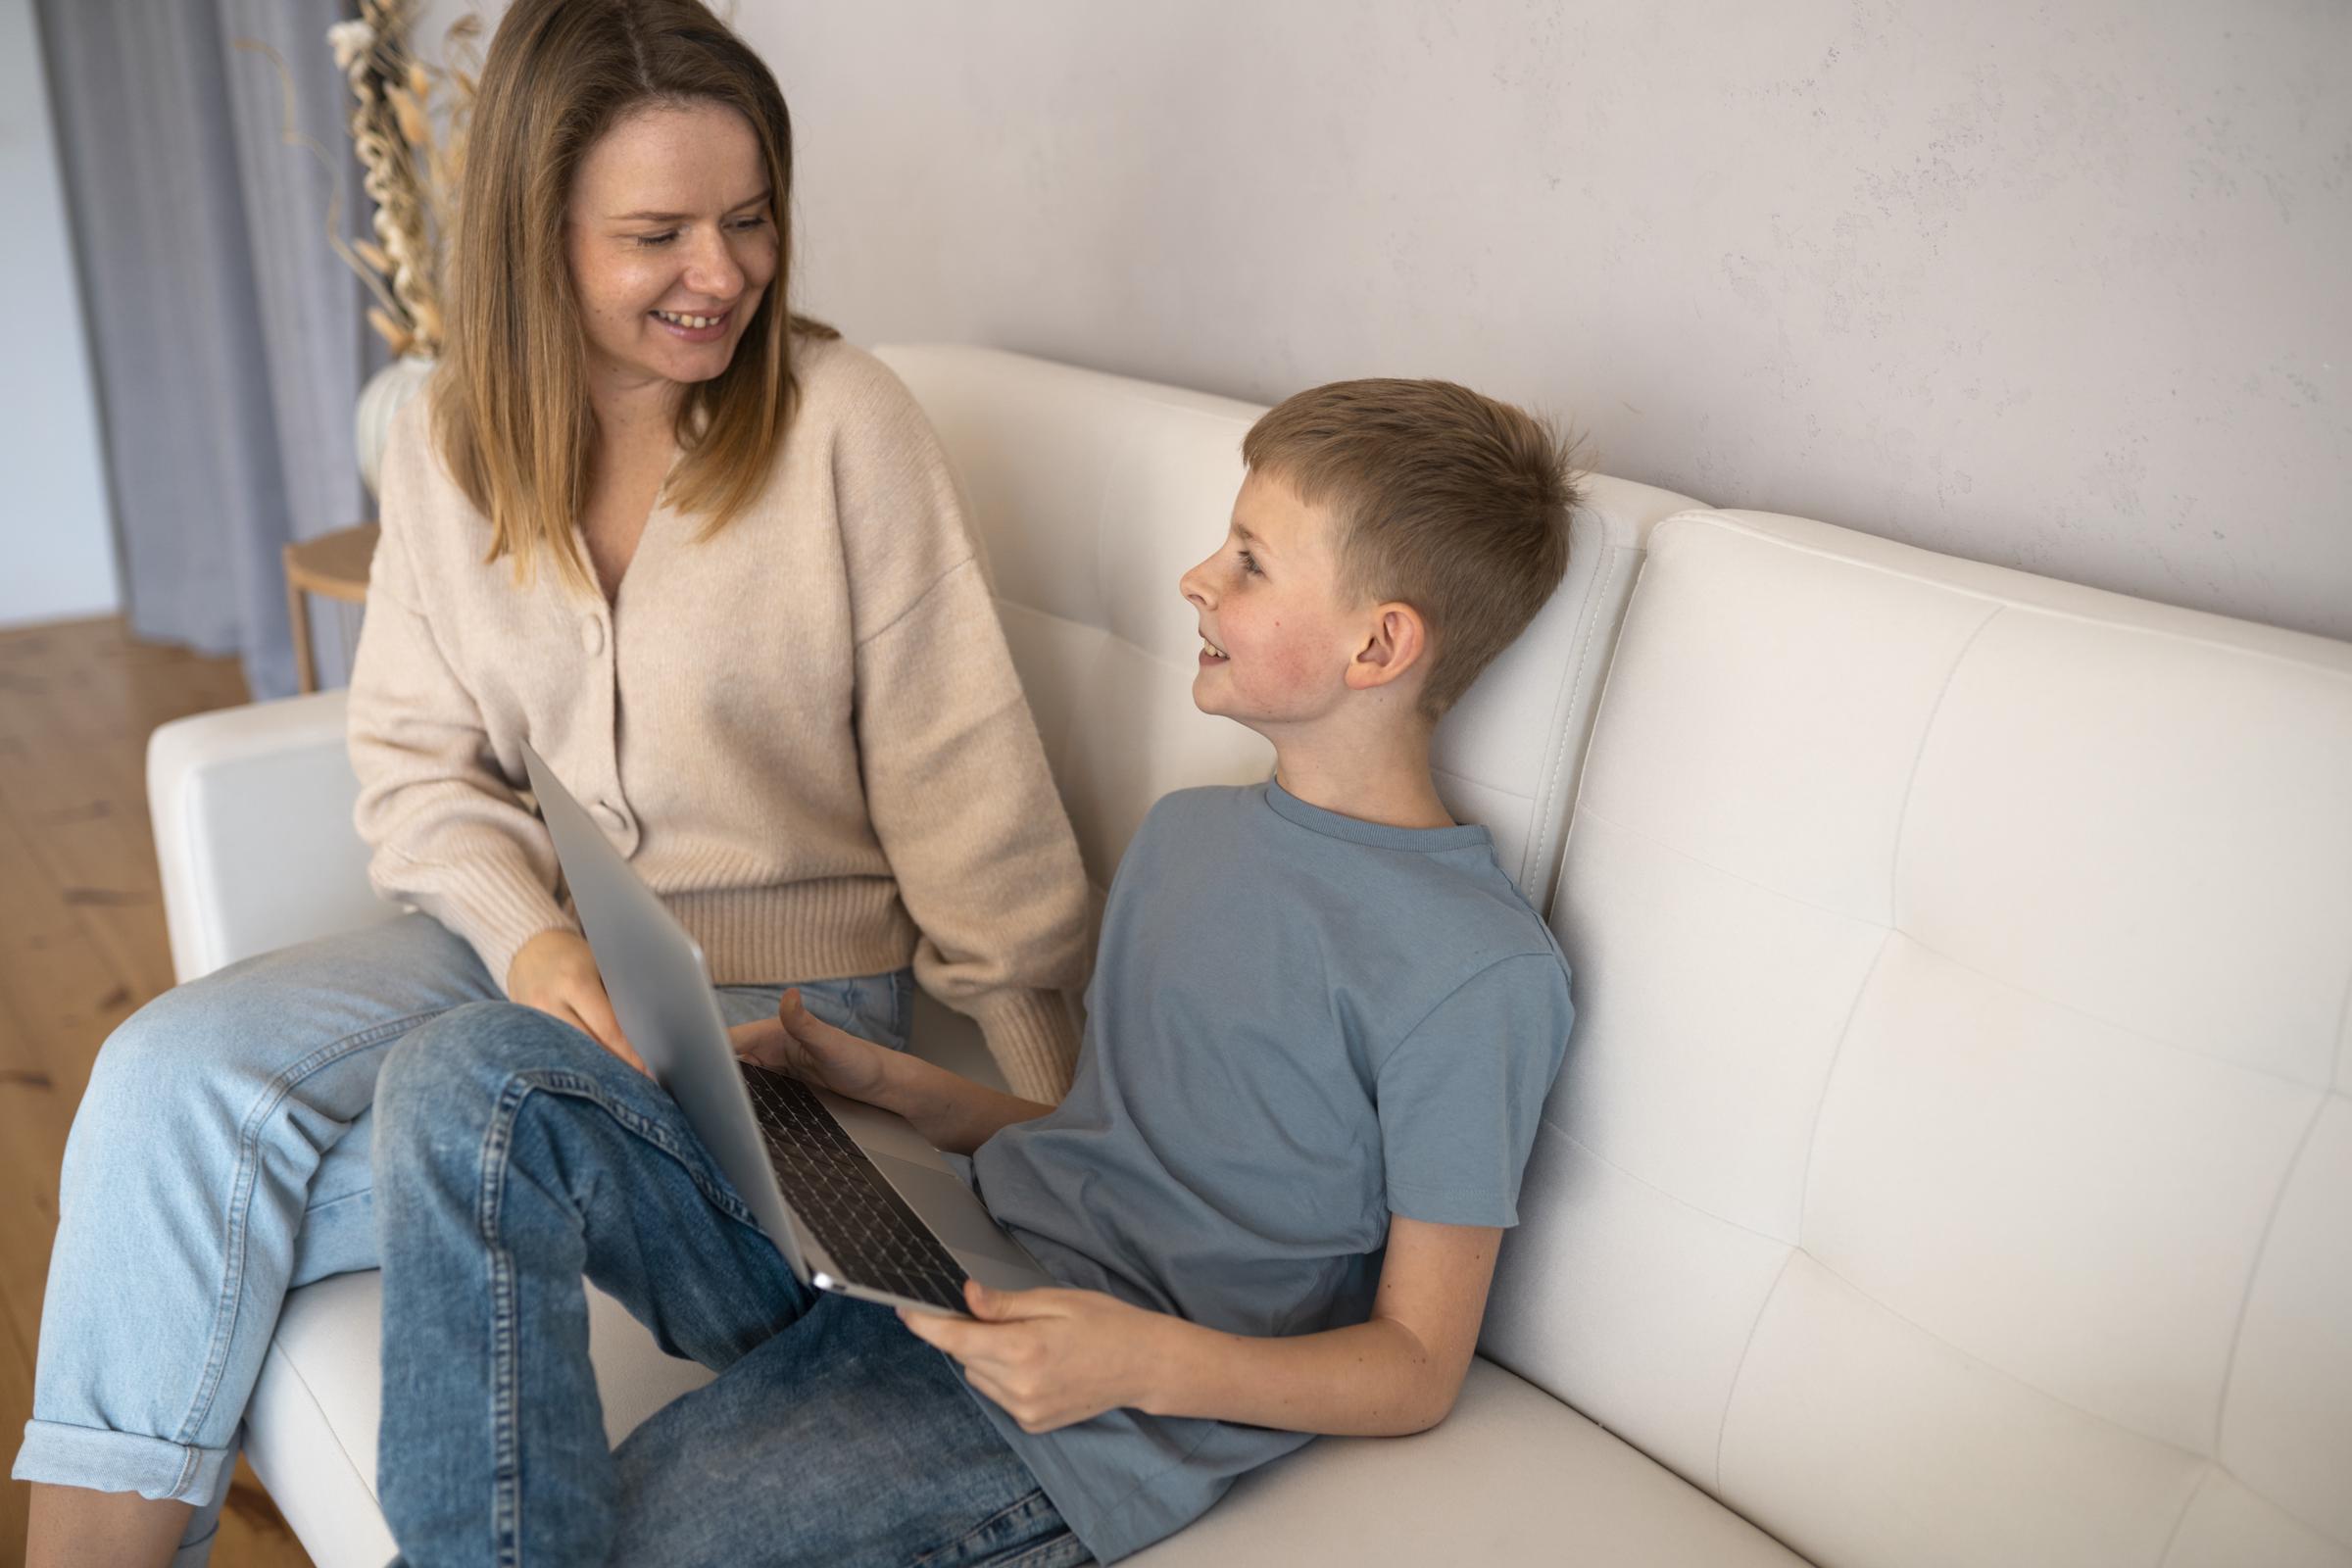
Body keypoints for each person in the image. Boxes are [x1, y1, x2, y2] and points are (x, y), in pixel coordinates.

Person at [12, 3, 1090, 1564]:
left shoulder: (847, 428)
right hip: (532, 948)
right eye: (657, 233)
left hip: (767, 1026)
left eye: (749, 219)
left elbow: (972, 792)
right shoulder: (453, 442)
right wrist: (527, 933)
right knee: (157, 1084)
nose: (721, 274)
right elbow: (414, 766)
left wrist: (1060, 1125)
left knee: (206, 1228)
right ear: (539, 233)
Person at [368, 375, 1583, 1565]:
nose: (1197, 578)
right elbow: (1109, 1137)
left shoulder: (1474, 972)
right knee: (471, 1072)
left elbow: (1420, 1363)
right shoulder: (1191, 834)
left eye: (1252, 561)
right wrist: (891, 1086)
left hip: (1070, 1409)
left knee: (600, 1535)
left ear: (1380, 644)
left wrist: (1134, 1359)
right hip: (947, 1259)